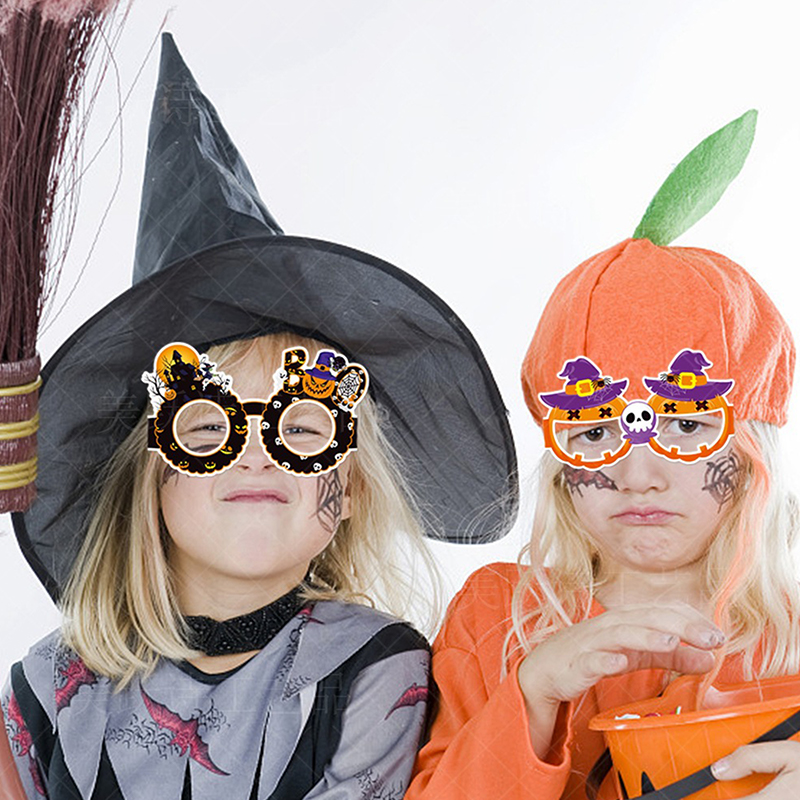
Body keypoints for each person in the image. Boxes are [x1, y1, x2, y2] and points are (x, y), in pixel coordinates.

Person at [0, 35, 517, 800]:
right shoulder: (47, 692)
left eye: (301, 429)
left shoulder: (373, 669)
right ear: (148, 479)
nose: (256, 453)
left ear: (352, 487)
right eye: (206, 429)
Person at [408, 111, 800, 799]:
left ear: (749, 446)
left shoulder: (790, 638)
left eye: (685, 427)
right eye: (594, 433)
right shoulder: (499, 618)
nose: (637, 477)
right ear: (559, 464)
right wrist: (532, 693)